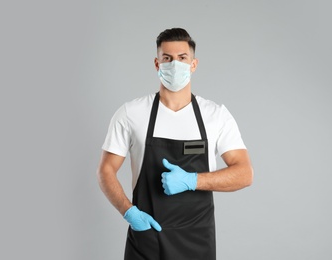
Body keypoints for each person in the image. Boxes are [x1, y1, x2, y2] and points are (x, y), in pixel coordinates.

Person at [97, 28, 253, 260]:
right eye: (167, 58)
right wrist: (129, 212)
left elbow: (244, 174)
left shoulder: (216, 115)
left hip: (197, 240)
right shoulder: (131, 113)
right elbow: (106, 170)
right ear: (157, 63)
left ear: (194, 64)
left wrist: (192, 180)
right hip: (147, 237)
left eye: (182, 58)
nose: (175, 64)